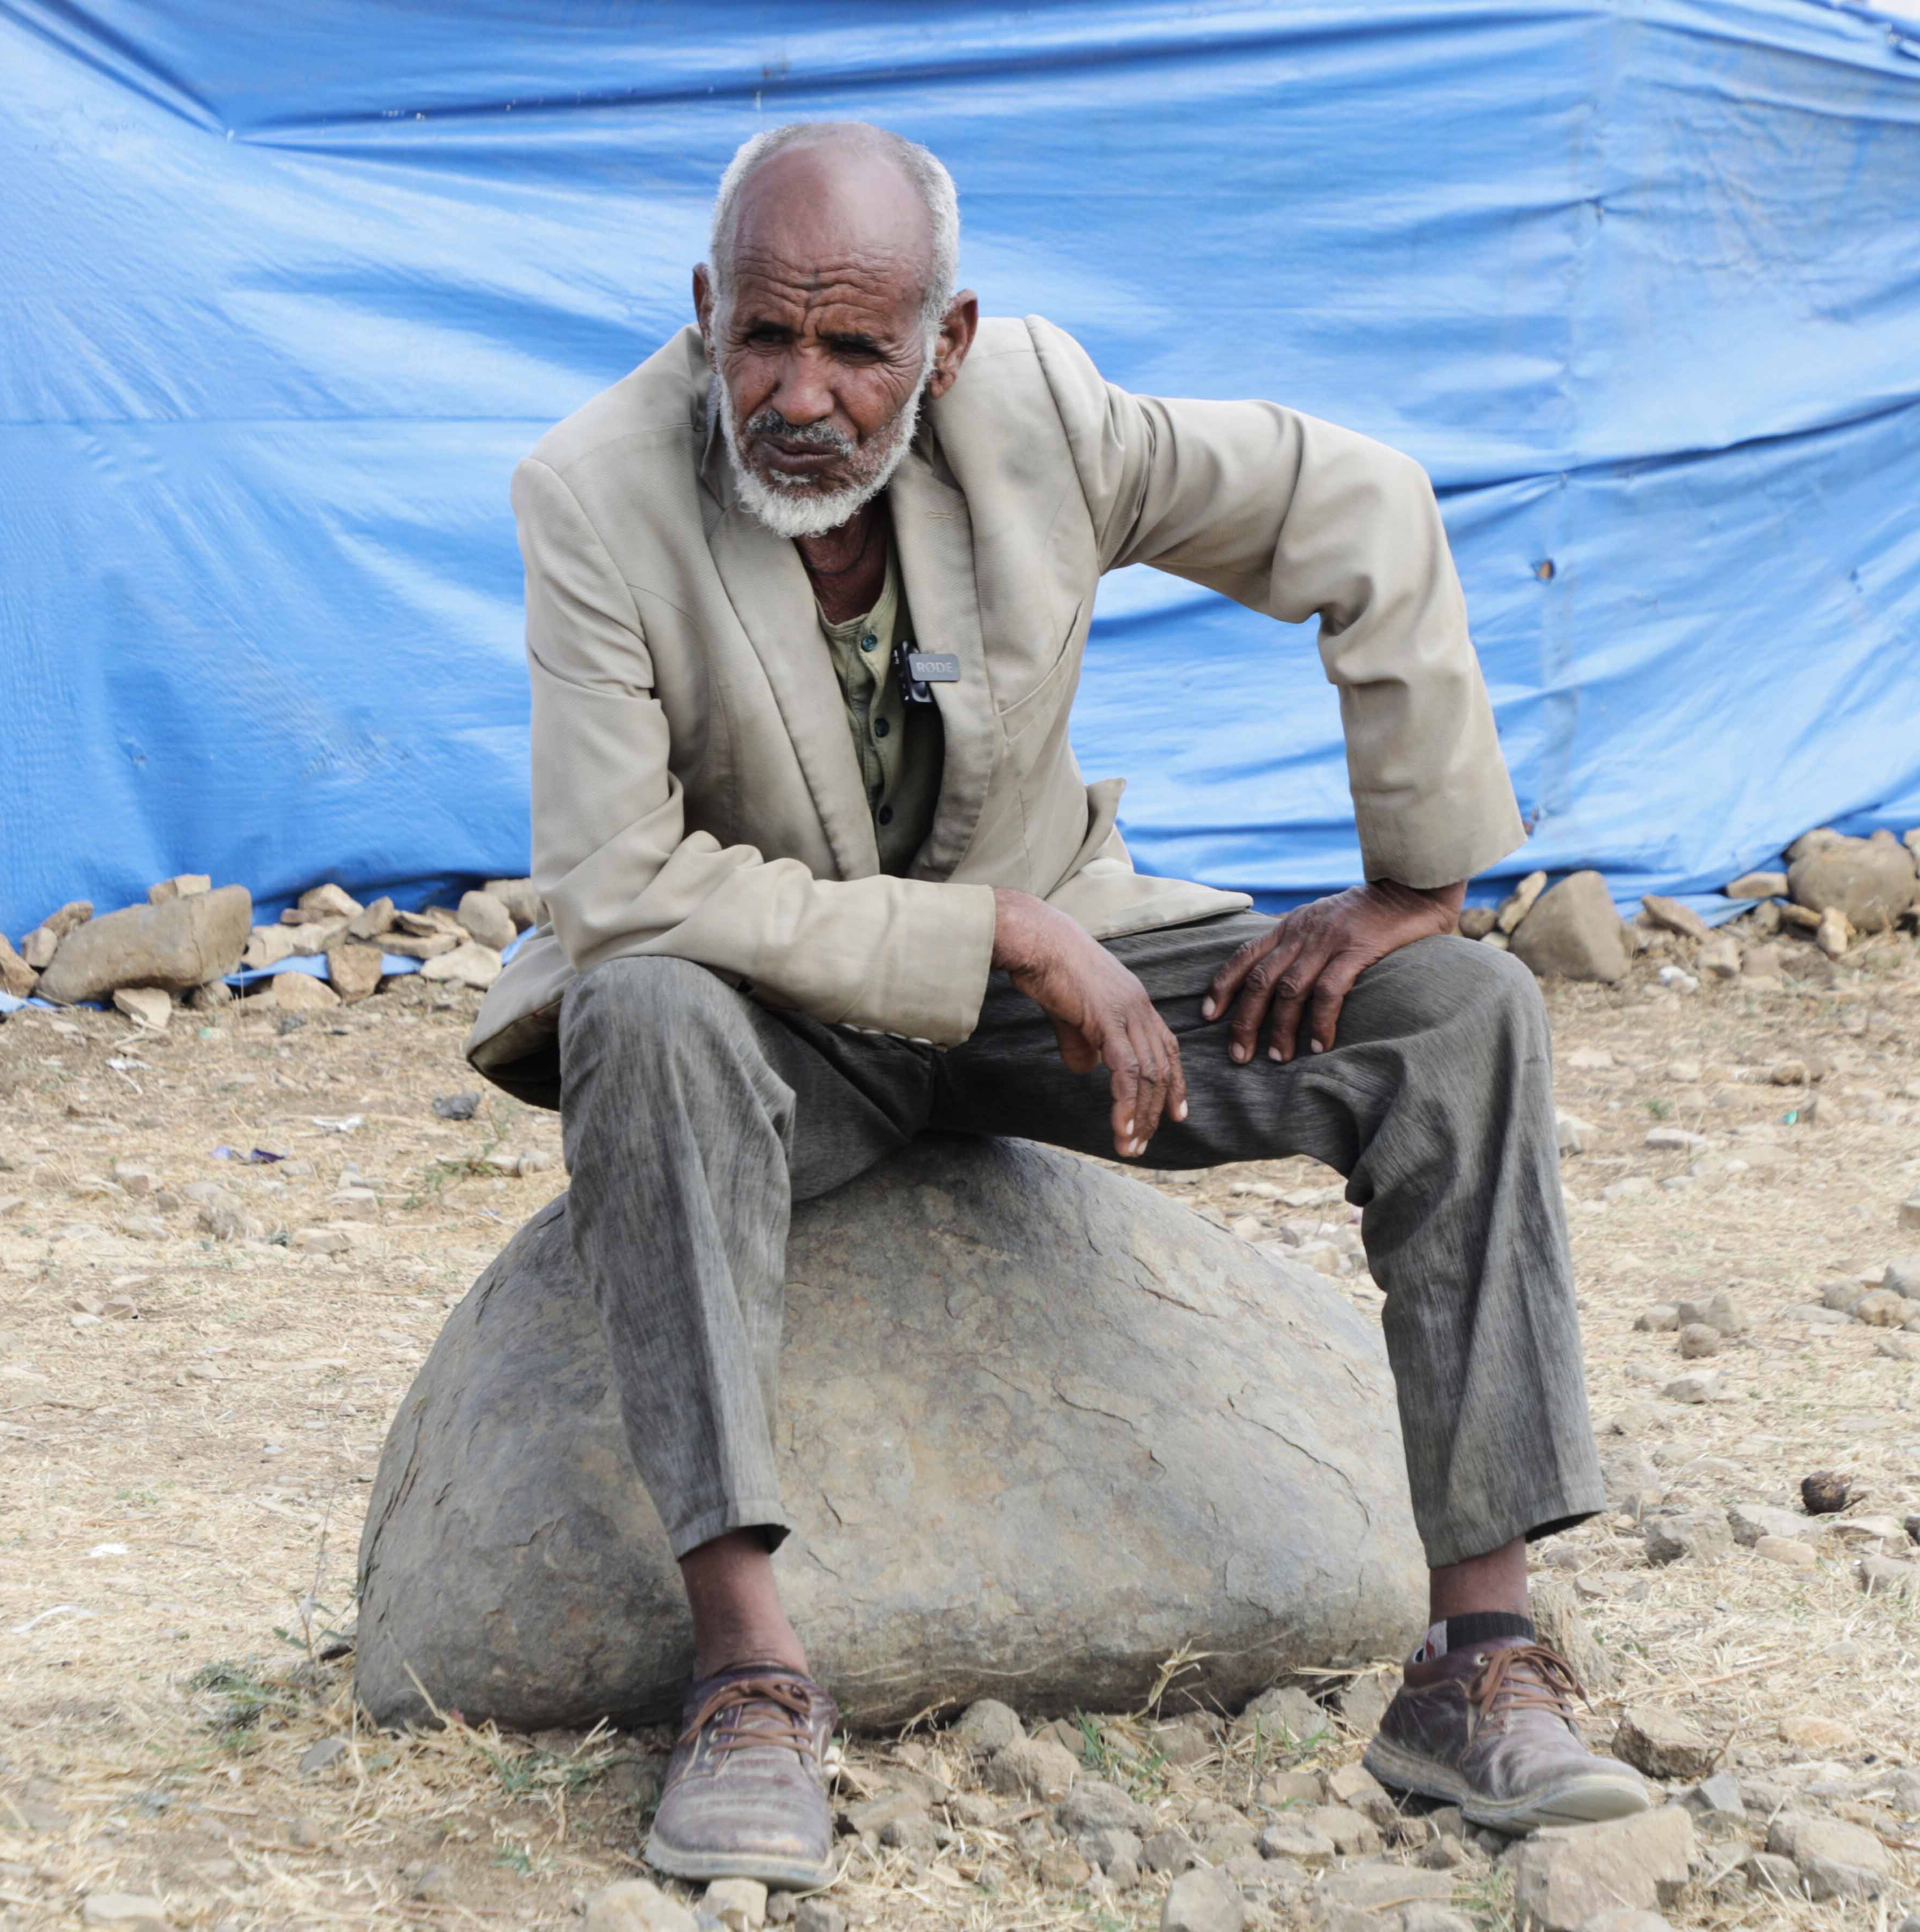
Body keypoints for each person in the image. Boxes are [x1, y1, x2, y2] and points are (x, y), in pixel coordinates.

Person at [469, 119, 1636, 1889]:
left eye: (855, 348)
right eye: (760, 340)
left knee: (1460, 1013)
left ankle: (1475, 1661)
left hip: (1060, 1001)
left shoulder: (1043, 414)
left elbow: (1366, 503)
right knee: (635, 1009)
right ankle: (749, 1677)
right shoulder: (593, 491)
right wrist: (995, 933)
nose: (800, 393)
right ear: (703, 311)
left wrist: (1417, 870)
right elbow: (616, 885)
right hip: (769, 1022)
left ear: (942, 344)